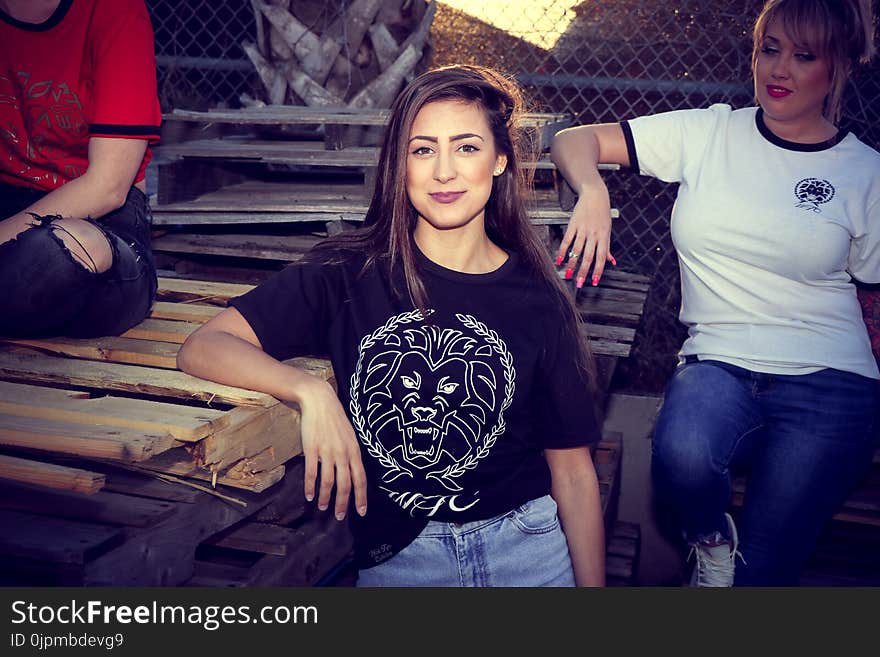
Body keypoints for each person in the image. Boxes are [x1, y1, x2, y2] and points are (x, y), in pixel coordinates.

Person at [177, 65, 606, 587]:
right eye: (423, 150)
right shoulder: (346, 274)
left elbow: (573, 471)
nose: (444, 172)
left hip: (529, 548)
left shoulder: (539, 297)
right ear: (398, 165)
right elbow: (205, 346)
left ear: (499, 161)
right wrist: (309, 392)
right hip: (404, 559)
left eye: (466, 148)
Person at [551, 0, 879, 586]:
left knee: (761, 578)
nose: (778, 70)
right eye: (769, 49)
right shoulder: (708, 132)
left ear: (839, 68)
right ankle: (709, 543)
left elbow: (874, 293)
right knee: (680, 455)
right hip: (719, 361)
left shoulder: (865, 173)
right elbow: (574, 140)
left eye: (803, 57)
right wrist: (594, 192)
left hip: (832, 382)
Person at [0, 0, 161, 338]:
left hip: (97, 217)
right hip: (6, 203)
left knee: (58, 253)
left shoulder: (113, 9)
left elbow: (107, 187)